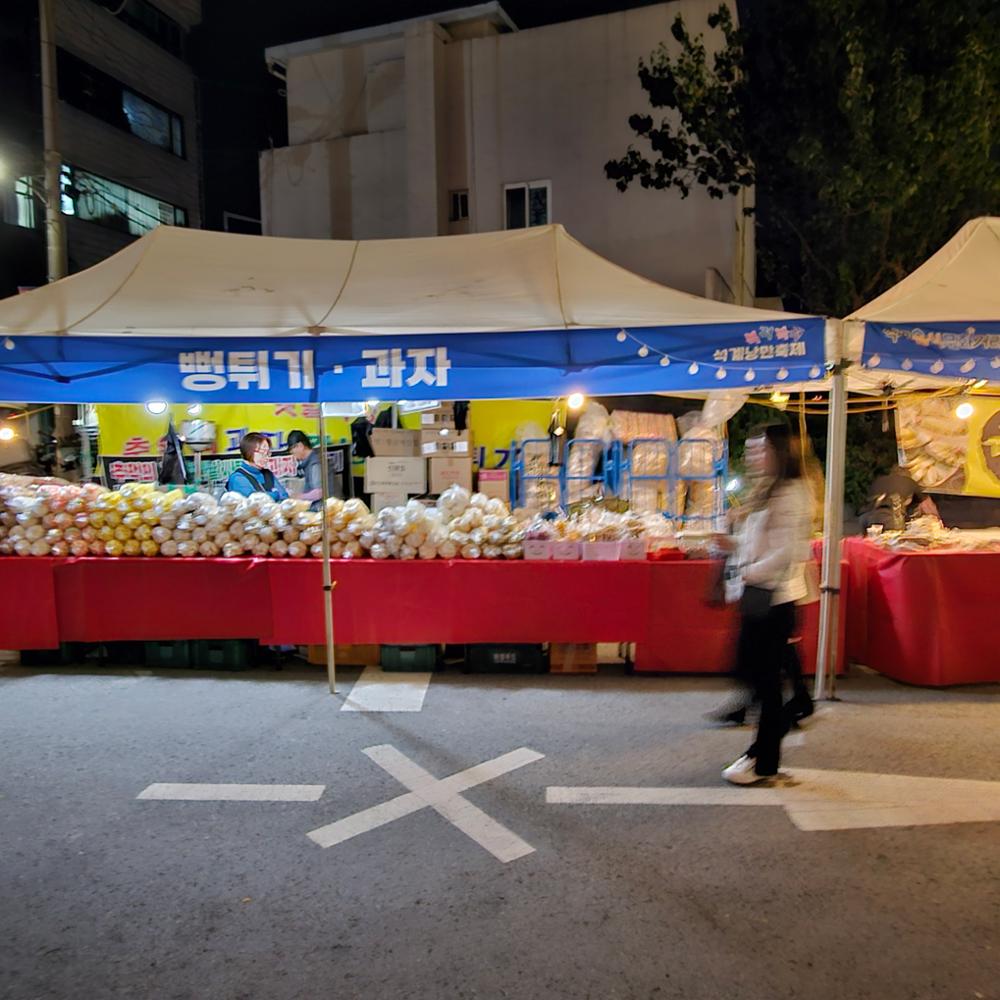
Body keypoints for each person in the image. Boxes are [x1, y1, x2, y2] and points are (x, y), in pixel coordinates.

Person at [714, 424, 813, 786]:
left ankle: (763, 757)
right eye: (751, 449)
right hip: (758, 594)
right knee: (755, 676)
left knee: (766, 682)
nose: (752, 456)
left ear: (779, 451)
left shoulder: (792, 493)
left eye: (759, 449)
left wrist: (746, 569)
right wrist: (734, 545)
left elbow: (785, 552)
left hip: (774, 598)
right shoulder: (768, 490)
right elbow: (758, 541)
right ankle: (767, 744)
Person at [859, 465, 938, 532]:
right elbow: (928, 507)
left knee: (870, 545)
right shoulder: (909, 481)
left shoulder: (879, 480)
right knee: (894, 544)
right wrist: (938, 523)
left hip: (864, 517)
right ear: (908, 476)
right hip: (889, 517)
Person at [225, 432, 288, 501]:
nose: (267, 457)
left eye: (267, 453)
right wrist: (275, 494)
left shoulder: (268, 474)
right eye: (262, 453)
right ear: (249, 451)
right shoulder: (237, 478)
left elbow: (284, 497)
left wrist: (269, 496)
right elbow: (255, 502)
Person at [287, 430, 322, 506]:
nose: (294, 456)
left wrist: (298, 497)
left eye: (293, 452)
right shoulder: (312, 460)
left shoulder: (315, 463)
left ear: (300, 446)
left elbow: (319, 492)